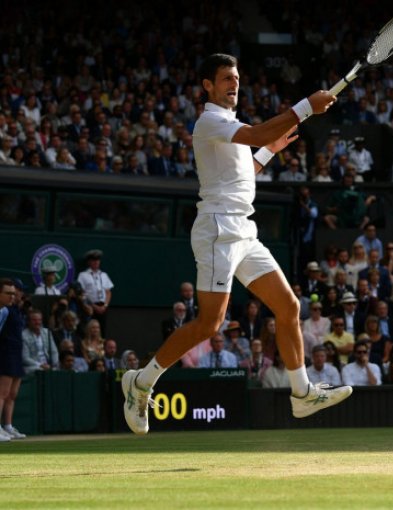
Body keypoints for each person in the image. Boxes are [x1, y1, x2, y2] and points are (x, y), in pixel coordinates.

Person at [121, 54, 351, 435]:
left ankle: (302, 393)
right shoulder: (210, 121)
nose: (234, 83)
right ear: (207, 86)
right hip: (217, 231)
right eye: (226, 78)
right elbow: (258, 132)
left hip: (244, 230)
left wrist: (267, 152)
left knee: (288, 305)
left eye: (237, 78)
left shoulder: (230, 127)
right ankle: (140, 382)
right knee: (209, 323)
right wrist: (306, 106)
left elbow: (244, 170)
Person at [0, 279, 26, 440]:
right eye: (8, 293)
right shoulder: (6, 312)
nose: (13, 296)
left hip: (15, 353)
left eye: (14, 293)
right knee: (2, 393)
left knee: (11, 394)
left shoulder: (6, 311)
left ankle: (7, 426)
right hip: (6, 353)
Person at [76, 249, 114, 335]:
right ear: (89, 262)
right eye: (94, 260)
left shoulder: (104, 275)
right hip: (90, 308)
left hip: (103, 307)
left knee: (102, 331)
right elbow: (81, 293)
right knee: (90, 330)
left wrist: (105, 305)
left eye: (98, 260)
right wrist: (93, 306)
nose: (96, 262)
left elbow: (108, 292)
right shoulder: (83, 275)